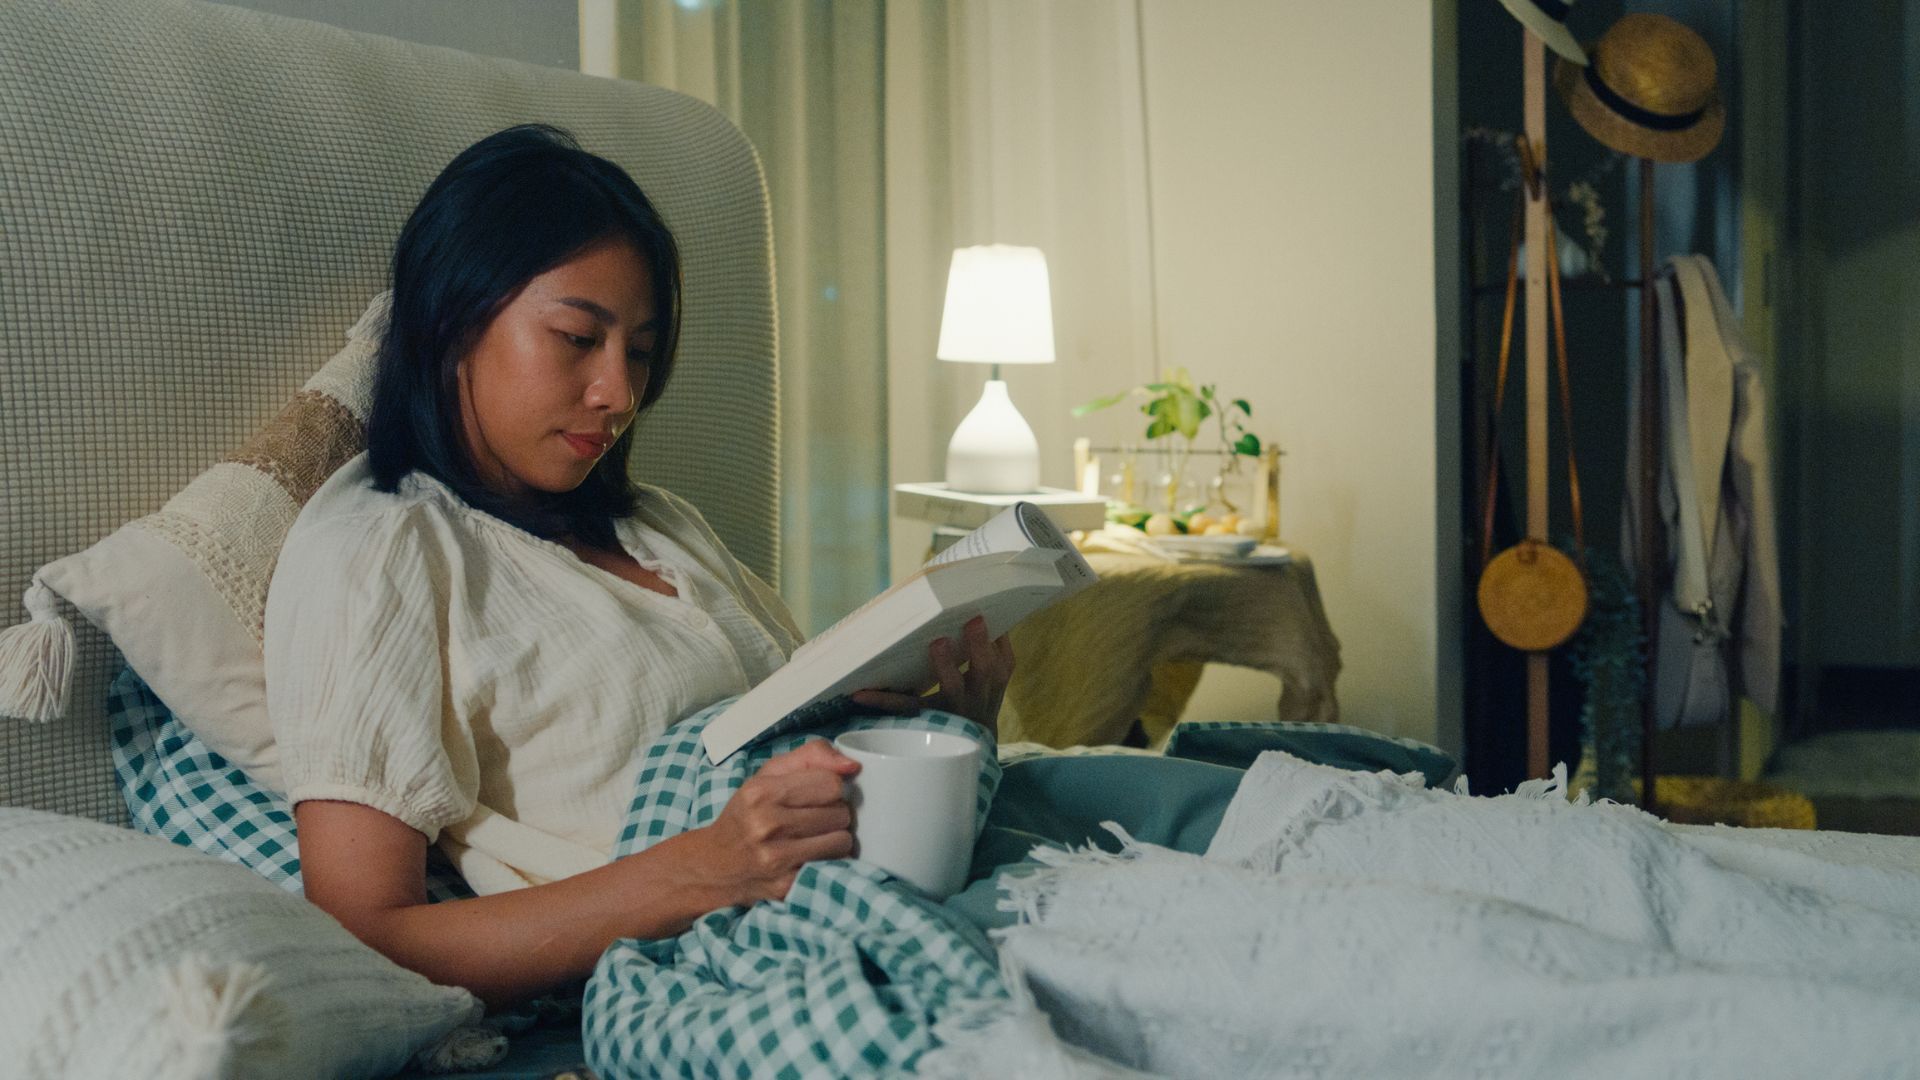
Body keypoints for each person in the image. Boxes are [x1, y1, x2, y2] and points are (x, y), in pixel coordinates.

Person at [264, 125, 1013, 1008]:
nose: (619, 393)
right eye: (579, 339)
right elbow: (361, 936)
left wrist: (943, 734)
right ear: (448, 325)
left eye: (643, 352)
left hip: (858, 888)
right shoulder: (384, 549)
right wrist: (702, 871)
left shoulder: (660, 523)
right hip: (734, 953)